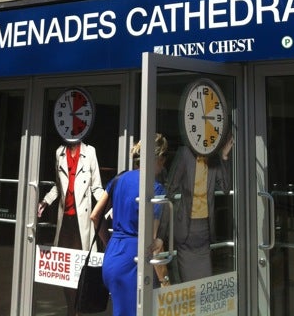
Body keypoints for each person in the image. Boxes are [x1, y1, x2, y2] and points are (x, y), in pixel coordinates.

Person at [90, 135, 170, 316]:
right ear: (157, 157)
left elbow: (95, 216)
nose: (165, 162)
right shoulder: (155, 188)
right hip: (133, 261)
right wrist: (165, 281)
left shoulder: (118, 179)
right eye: (165, 156)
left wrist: (110, 243)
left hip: (112, 256)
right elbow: (153, 243)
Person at [38, 140, 103, 316]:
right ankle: (71, 310)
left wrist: (109, 207)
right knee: (66, 271)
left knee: (81, 270)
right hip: (65, 223)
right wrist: (46, 201)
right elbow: (58, 186)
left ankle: (78, 310)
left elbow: (97, 187)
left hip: (82, 222)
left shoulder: (90, 152)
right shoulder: (59, 152)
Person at [164, 134, 233, 282]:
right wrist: (160, 235)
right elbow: (169, 192)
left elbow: (226, 188)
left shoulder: (213, 158)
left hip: (204, 232)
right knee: (189, 285)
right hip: (185, 231)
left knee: (204, 284)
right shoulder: (185, 153)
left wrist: (224, 156)